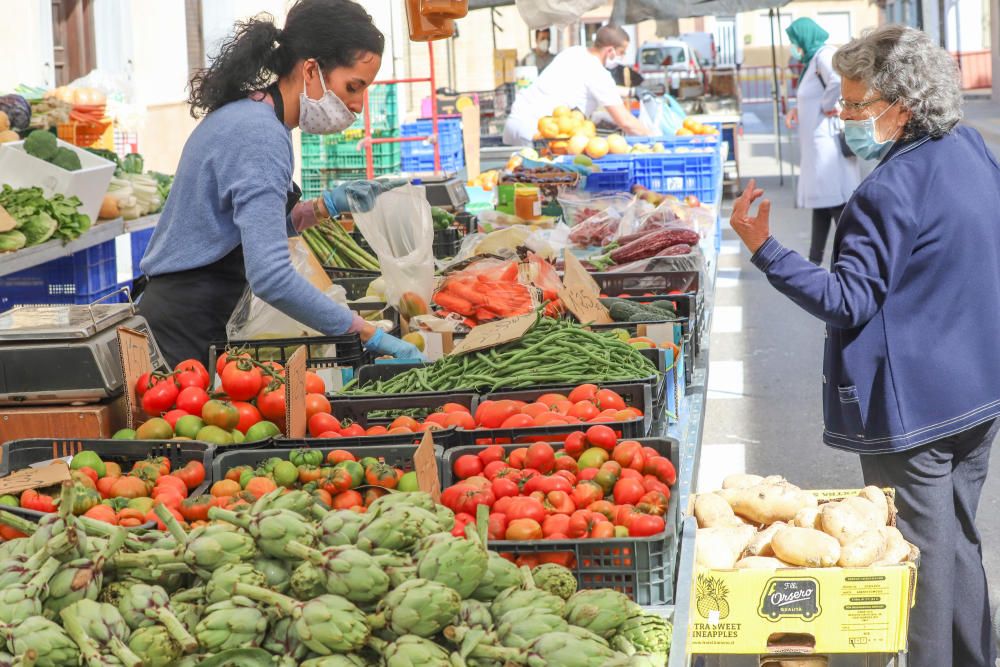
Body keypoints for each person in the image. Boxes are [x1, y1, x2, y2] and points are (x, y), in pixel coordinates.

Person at [730, 25, 1000, 667]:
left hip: (915, 410)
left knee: (919, 554)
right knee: (957, 538)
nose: (841, 113)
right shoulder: (972, 148)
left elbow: (848, 299)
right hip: (978, 390)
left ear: (899, 107)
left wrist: (765, 249)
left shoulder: (886, 190)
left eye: (853, 104)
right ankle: (976, 656)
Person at [136, 0, 422, 368]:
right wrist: (368, 333)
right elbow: (270, 275)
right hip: (185, 325)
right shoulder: (260, 134)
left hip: (193, 308)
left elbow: (238, 227)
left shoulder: (257, 116)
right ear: (311, 69)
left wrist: (321, 208)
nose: (357, 105)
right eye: (354, 86)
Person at [784, 17, 861, 265]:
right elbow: (810, 94)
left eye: (794, 40)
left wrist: (827, 106)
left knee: (835, 203)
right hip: (816, 143)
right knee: (822, 202)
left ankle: (854, 260)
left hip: (826, 144)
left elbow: (837, 82)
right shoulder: (811, 61)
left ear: (804, 38)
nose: (793, 46)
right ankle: (814, 259)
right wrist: (798, 109)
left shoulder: (823, 55)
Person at [503, 25, 653, 146]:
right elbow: (625, 121)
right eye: (622, 52)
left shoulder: (573, 52)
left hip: (517, 122)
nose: (623, 57)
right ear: (610, 51)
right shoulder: (597, 72)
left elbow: (585, 87)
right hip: (540, 134)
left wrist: (630, 92)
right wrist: (654, 137)